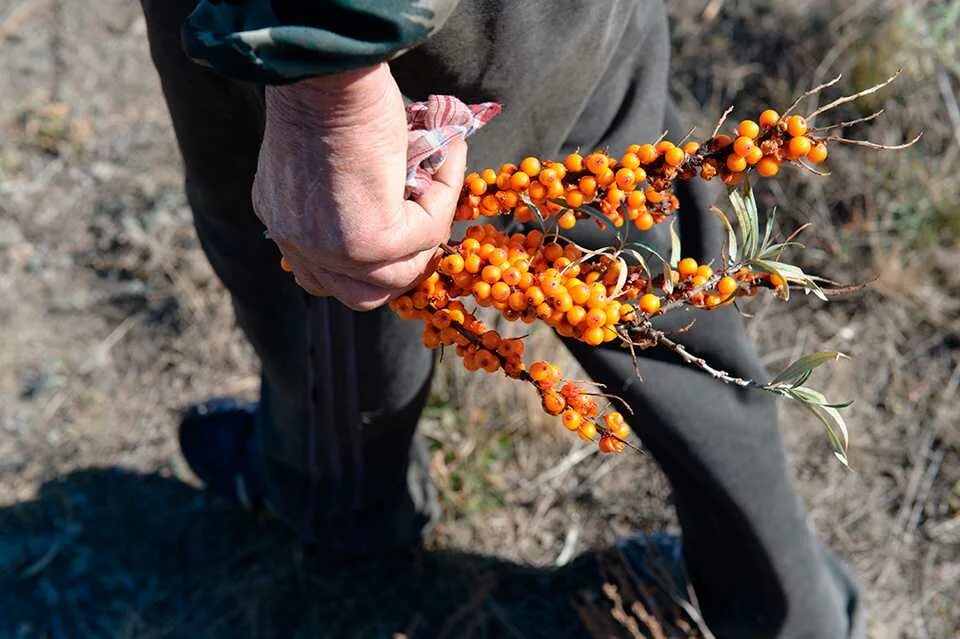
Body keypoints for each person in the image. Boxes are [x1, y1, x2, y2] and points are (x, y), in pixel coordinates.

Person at [140, 1, 865, 637]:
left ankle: (339, 505)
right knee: (646, 253)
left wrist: (325, 86)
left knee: (346, 279)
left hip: (383, 37)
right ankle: (789, 610)